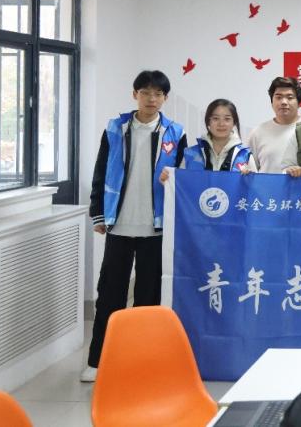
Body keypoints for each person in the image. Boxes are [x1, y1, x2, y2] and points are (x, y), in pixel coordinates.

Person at [83, 70, 186, 382]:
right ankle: (98, 361)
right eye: (145, 92)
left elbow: (185, 178)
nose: (151, 99)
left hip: (156, 228)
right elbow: (101, 170)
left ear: (165, 98)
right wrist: (98, 213)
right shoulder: (116, 128)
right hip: (120, 225)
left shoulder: (176, 133)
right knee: (109, 295)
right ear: (135, 95)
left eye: (158, 94)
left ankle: (144, 361)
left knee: (148, 298)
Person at [181, 99, 256, 173]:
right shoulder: (190, 155)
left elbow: (255, 181)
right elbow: (179, 179)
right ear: (208, 121)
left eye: (227, 119)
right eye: (216, 118)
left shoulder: (245, 156)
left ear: (234, 122)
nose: (221, 124)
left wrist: (249, 178)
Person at [247, 77, 301, 172]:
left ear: (299, 103)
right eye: (278, 97)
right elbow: (249, 170)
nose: (284, 102)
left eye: (290, 97)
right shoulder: (258, 132)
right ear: (272, 102)